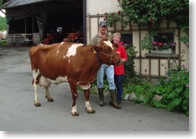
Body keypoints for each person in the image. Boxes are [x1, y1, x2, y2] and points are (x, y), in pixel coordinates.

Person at [91, 21, 121, 109]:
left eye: (105, 27)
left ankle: (113, 101)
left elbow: (113, 48)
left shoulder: (109, 37)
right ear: (99, 28)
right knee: (100, 80)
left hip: (109, 63)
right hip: (101, 64)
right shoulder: (95, 38)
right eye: (102, 27)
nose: (103, 29)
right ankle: (101, 99)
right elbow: (92, 50)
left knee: (111, 80)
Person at [112, 32, 128, 104]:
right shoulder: (111, 47)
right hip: (111, 70)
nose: (116, 39)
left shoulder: (121, 48)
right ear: (113, 38)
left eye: (117, 38)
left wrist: (121, 61)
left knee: (119, 84)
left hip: (119, 70)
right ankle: (113, 98)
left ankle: (118, 99)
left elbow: (125, 58)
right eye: (115, 37)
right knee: (112, 85)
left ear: (119, 39)